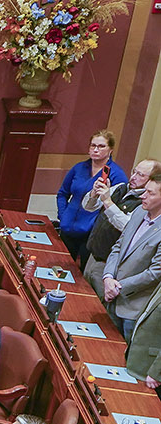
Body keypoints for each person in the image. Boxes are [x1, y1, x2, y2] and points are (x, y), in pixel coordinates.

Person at [84, 157, 155, 295]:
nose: (133, 177)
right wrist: (94, 193)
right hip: (93, 254)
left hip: (109, 266)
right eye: (134, 172)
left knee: (99, 305)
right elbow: (88, 207)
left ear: (151, 180)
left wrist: (108, 201)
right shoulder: (120, 188)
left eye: (140, 175)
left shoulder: (145, 203)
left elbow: (128, 227)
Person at [102, 176, 161, 336]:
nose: (142, 196)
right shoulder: (139, 212)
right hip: (111, 296)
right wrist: (108, 277)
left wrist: (118, 287)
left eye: (150, 193)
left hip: (133, 309)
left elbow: (155, 273)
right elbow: (118, 246)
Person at [57, 130, 125, 265]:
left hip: (90, 234)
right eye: (93, 146)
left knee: (82, 275)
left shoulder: (117, 175)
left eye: (101, 146)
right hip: (67, 227)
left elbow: (115, 206)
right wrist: (63, 215)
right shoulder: (79, 168)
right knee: (60, 266)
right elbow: (62, 194)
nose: (96, 150)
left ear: (110, 150)